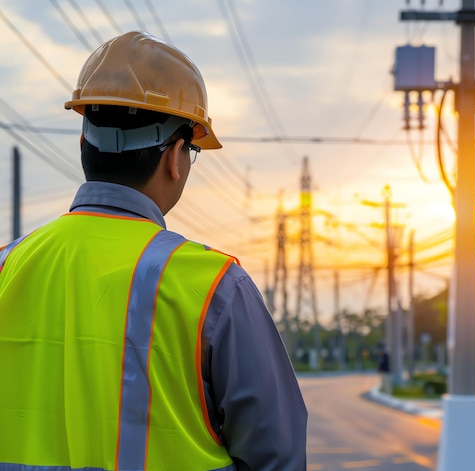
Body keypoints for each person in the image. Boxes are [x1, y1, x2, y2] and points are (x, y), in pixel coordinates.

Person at [0, 31, 307, 471]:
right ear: (176, 157)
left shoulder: (6, 267)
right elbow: (277, 456)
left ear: (84, 143)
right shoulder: (215, 289)